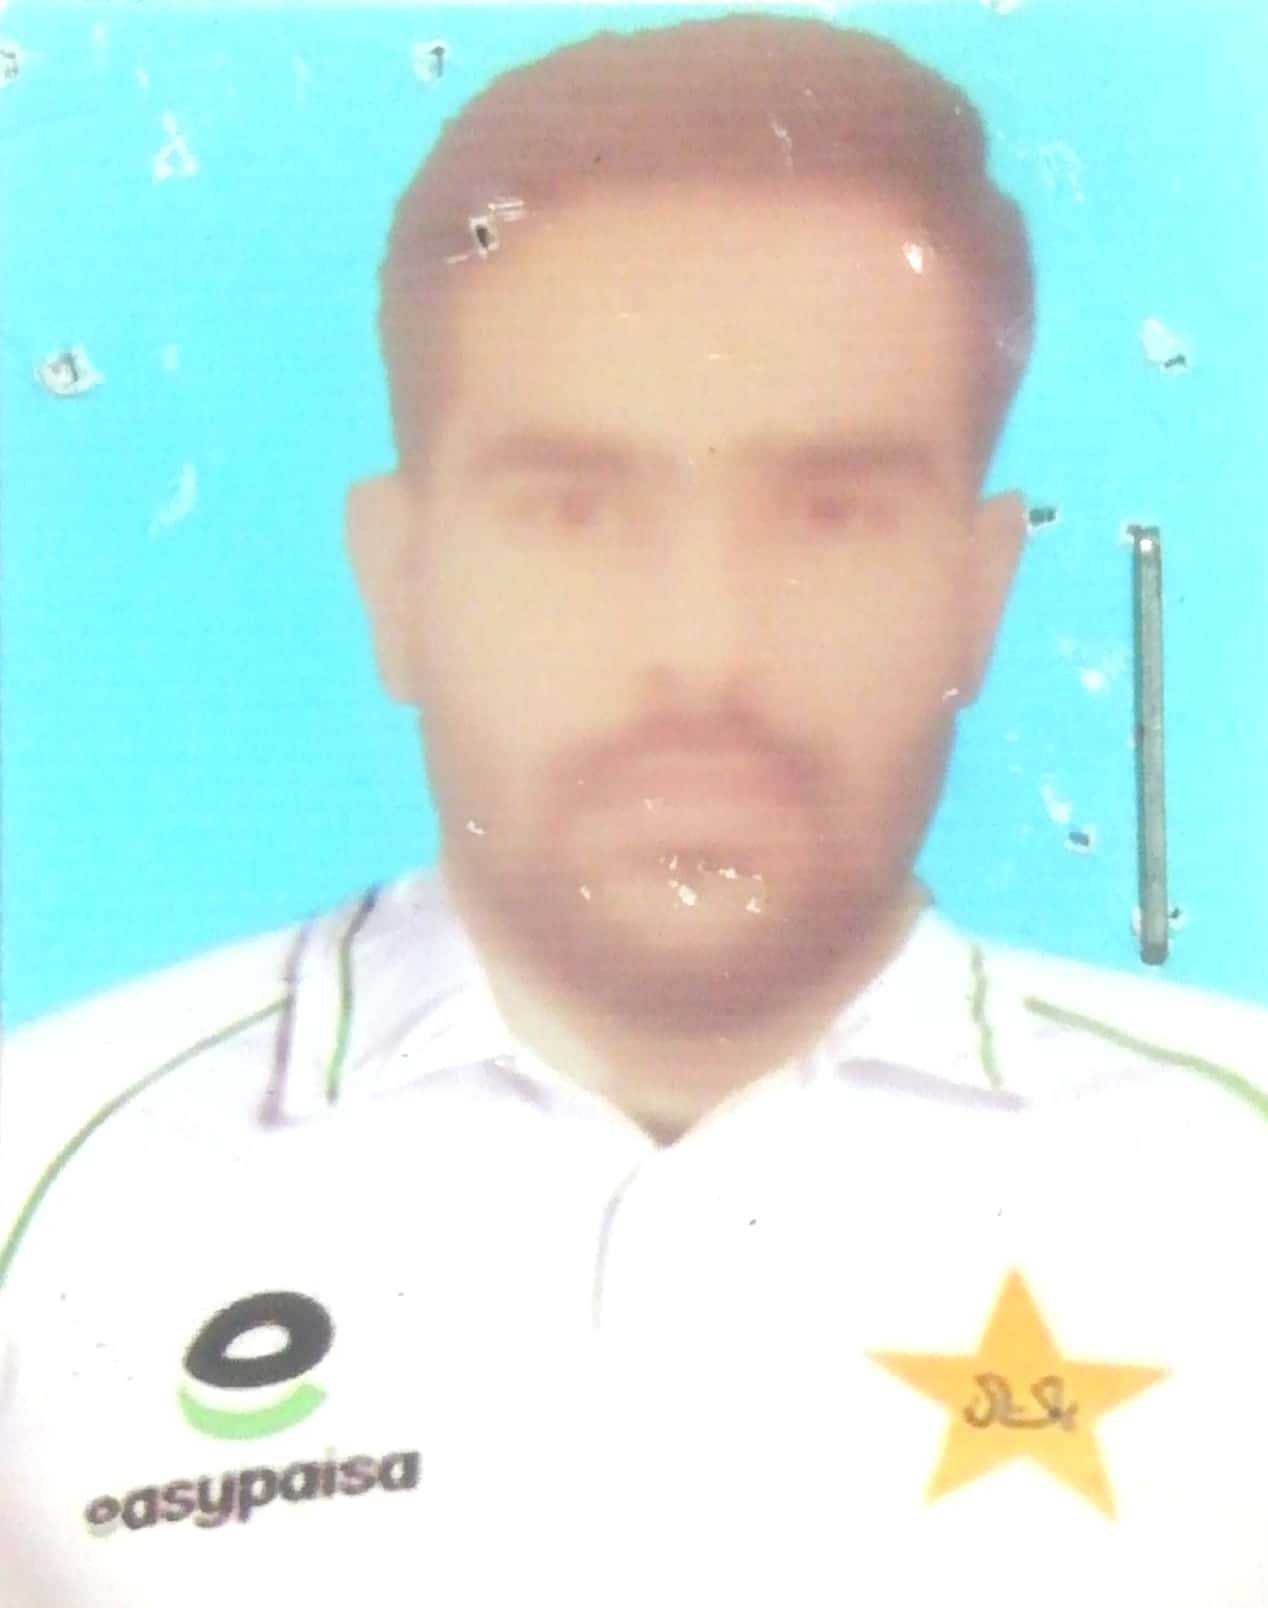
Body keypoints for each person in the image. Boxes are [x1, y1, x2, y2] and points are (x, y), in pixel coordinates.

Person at [1, 14, 1265, 1606]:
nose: (702, 647)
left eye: (831, 512)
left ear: (980, 591)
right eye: (574, 509)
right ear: (401, 582)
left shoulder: (1238, 1180)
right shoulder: (35, 1183)